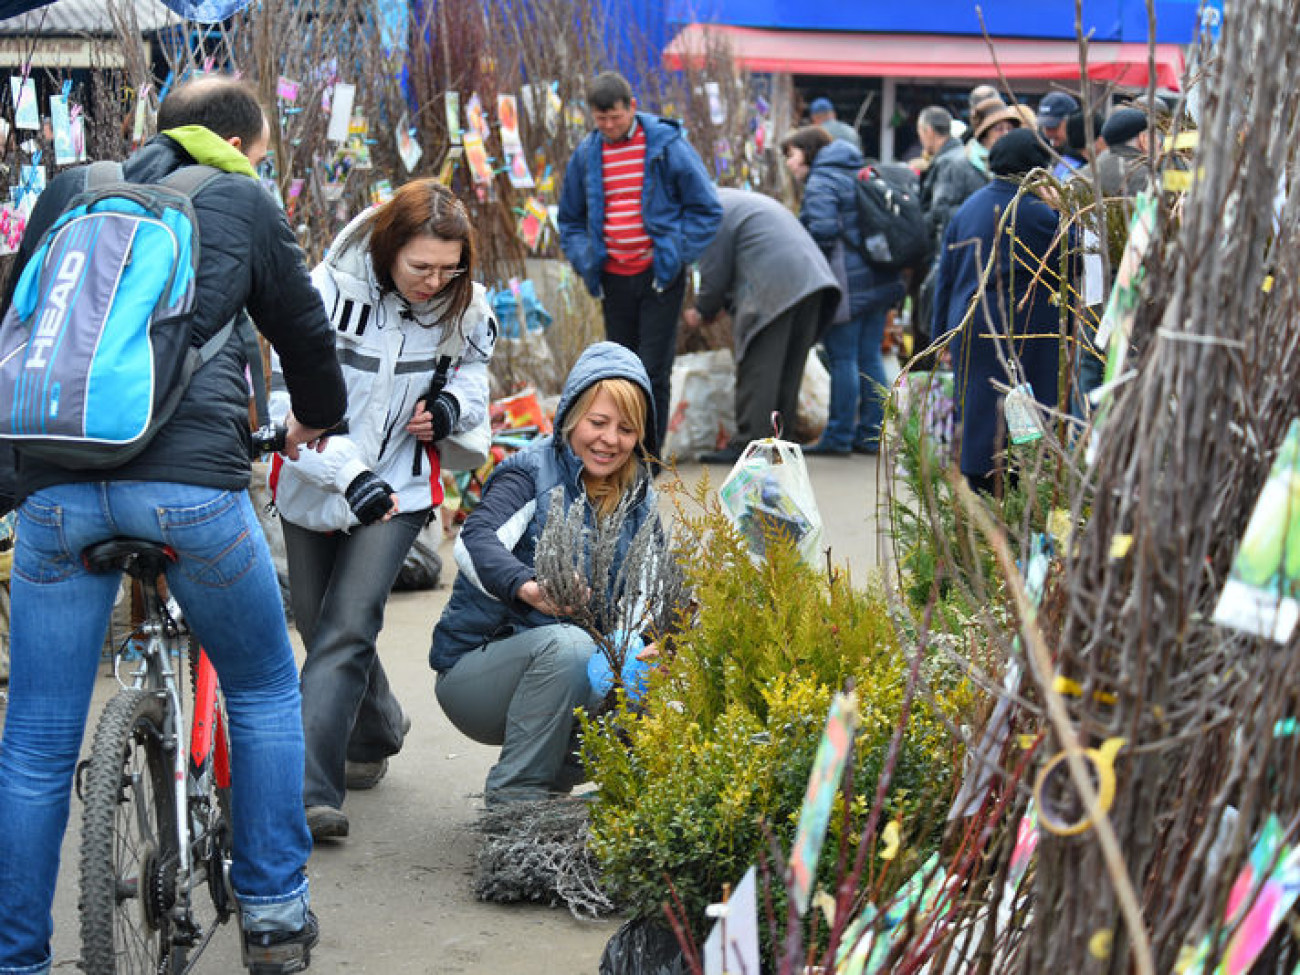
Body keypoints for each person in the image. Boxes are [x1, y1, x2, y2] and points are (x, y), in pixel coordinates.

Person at [0, 76, 346, 974]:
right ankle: (273, 918)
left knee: (37, 741)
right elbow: (305, 335)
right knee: (267, 685)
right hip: (189, 493)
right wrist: (313, 416)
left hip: (56, 494)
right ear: (242, 142)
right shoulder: (242, 198)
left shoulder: (72, 190)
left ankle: (16, 957)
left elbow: (19, 320)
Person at [269, 180, 497, 842]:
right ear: (388, 248)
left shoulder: (465, 303)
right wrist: (348, 472)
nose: (434, 281)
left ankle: (310, 793)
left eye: (448, 268)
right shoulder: (322, 293)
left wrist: (453, 407)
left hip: (398, 485)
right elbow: (291, 409)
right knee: (318, 622)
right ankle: (377, 725)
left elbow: (474, 372)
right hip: (314, 477)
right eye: (420, 266)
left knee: (348, 623)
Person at [429, 341, 658, 804]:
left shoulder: (637, 493)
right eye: (598, 422)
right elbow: (476, 543)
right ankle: (515, 797)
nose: (609, 439)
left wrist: (652, 647)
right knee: (572, 647)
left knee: (642, 668)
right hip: (478, 675)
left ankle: (561, 790)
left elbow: (650, 587)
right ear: (572, 416)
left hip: (561, 675)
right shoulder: (529, 471)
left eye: (626, 429)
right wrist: (527, 588)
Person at [558, 71, 722, 455]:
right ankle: (621, 456)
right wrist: (586, 260)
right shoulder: (586, 154)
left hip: (659, 277)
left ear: (632, 106)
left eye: (615, 117)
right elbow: (570, 220)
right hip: (612, 278)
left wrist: (675, 251)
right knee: (618, 372)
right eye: (601, 120)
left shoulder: (666, 146)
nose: (609, 126)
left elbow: (707, 208)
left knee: (652, 371)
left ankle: (648, 460)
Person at [932, 128, 1072, 495]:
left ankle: (977, 483)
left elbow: (943, 280)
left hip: (968, 323)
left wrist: (940, 336)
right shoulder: (1036, 212)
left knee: (979, 410)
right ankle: (1014, 494)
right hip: (1019, 329)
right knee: (1022, 412)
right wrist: (1061, 208)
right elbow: (1073, 255)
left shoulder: (968, 207)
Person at [684, 188, 841, 464]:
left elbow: (714, 271)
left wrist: (702, 310)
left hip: (777, 282)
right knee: (788, 368)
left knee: (759, 364)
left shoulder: (711, 211)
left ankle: (750, 444)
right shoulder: (735, 201)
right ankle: (781, 441)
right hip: (814, 280)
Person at [781, 126, 905, 456]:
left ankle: (837, 436)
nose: (790, 164)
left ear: (808, 151)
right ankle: (869, 435)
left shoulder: (822, 179)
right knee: (869, 356)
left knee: (843, 357)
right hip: (878, 278)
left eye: (791, 155)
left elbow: (821, 230)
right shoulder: (859, 170)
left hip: (846, 282)